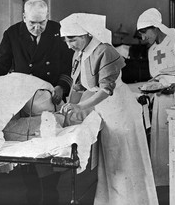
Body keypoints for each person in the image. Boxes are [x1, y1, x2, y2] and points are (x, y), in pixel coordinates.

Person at [0, 0, 73, 205]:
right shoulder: (12, 34)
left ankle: (51, 192)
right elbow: (2, 63)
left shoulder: (59, 31)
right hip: (22, 96)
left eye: (42, 22)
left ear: (48, 18)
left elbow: (68, 65)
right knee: (27, 146)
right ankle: (32, 192)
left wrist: (62, 86)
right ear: (23, 18)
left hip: (49, 96)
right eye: (32, 23)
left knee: (48, 144)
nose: (37, 27)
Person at [59, 13, 158, 205]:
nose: (68, 44)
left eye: (72, 39)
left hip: (120, 110)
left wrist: (80, 106)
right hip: (104, 110)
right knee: (111, 161)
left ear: (86, 34)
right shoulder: (79, 54)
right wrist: (67, 109)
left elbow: (106, 90)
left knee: (124, 161)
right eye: (65, 39)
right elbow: (78, 86)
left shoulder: (105, 51)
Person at [136, 7, 175, 186]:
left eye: (144, 32)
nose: (143, 38)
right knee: (160, 140)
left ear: (156, 27)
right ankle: (161, 183)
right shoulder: (151, 50)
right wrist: (150, 86)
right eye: (140, 34)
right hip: (160, 100)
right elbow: (157, 76)